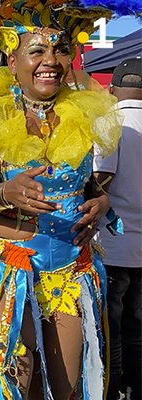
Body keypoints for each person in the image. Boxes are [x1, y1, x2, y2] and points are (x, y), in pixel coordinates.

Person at [0, 0, 129, 399]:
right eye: (37, 50)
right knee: (5, 388)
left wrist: (102, 203)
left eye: (61, 49)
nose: (52, 61)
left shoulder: (80, 112)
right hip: (7, 269)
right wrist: (4, 192)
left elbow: (82, 185)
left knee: (66, 388)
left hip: (70, 269)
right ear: (12, 59)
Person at [93, 57, 142, 400]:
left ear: (111, 90)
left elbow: (101, 181)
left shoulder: (110, 121)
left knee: (111, 328)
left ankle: (111, 390)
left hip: (115, 245)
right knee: (137, 327)